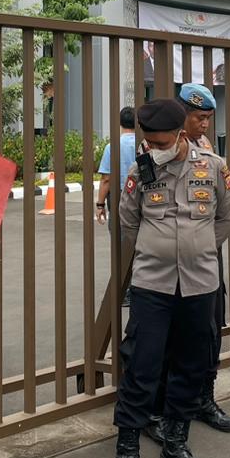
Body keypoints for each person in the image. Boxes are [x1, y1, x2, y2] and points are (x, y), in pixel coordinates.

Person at [112, 99, 230, 458]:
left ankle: (175, 443)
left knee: (190, 364)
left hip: (200, 283)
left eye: (161, 142)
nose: (154, 148)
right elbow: (129, 219)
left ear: (180, 135)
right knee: (142, 364)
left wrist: (199, 249)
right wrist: (158, 249)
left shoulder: (213, 167)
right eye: (149, 142)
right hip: (153, 284)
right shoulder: (141, 171)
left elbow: (225, 218)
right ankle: (127, 451)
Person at [96, 106, 138, 307]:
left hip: (120, 199)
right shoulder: (144, 144)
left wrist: (100, 204)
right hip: (141, 199)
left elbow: (106, 179)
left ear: (120, 123)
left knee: (120, 246)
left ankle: (125, 290)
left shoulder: (112, 146)